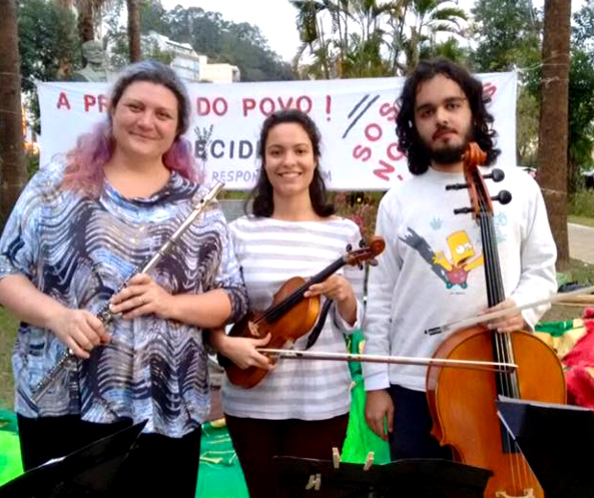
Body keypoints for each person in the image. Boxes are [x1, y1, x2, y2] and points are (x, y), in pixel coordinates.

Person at [0, 61, 248, 497]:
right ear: (112, 111)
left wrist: (169, 303)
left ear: (178, 127)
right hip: (60, 399)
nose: (146, 121)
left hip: (164, 406)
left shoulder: (198, 205)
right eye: (135, 107)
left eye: (162, 114)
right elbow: (0, 271)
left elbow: (233, 297)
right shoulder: (58, 182)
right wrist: (58, 317)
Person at [362, 58, 557, 459]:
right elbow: (379, 301)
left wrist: (520, 308)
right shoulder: (397, 201)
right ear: (413, 124)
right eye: (427, 111)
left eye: (452, 105)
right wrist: (376, 383)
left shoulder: (518, 187)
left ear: (473, 110)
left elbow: (542, 272)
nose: (441, 118)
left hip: (499, 377)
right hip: (414, 384)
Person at [214, 109, 365, 497]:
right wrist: (223, 343)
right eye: (276, 152)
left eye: (300, 150)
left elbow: (352, 322)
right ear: (264, 162)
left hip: (321, 399)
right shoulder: (239, 232)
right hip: (251, 399)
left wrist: (345, 295)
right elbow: (219, 307)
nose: (289, 162)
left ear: (315, 158)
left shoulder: (345, 234)